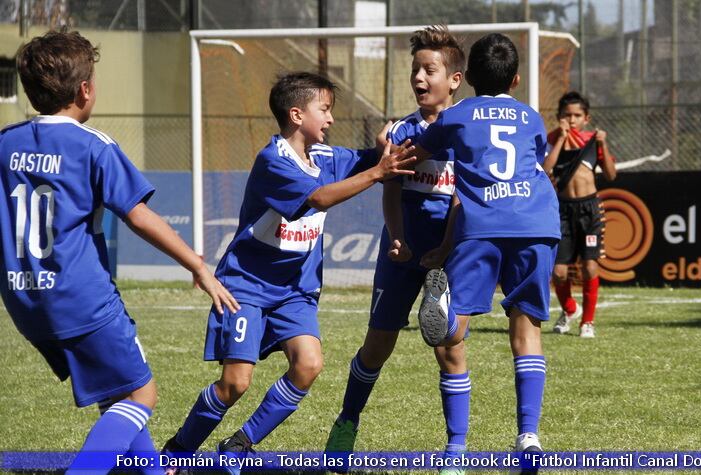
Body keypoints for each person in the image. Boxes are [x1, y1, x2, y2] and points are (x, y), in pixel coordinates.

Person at [0, 30, 238, 474]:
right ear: (85, 90)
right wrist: (199, 266)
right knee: (141, 395)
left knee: (117, 393)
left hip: (25, 299)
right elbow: (139, 216)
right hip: (81, 297)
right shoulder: (94, 146)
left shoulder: (5, 143)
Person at [160, 71, 413, 475]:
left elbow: (373, 157)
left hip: (295, 291)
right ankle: (176, 453)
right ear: (297, 114)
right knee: (235, 383)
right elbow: (317, 198)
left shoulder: (327, 157)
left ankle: (239, 446)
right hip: (246, 288)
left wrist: (393, 143)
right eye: (324, 110)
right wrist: (377, 173)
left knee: (309, 364)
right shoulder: (273, 161)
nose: (330, 119)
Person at [398, 33, 561, 471]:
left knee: (453, 335)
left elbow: (414, 153)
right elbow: (537, 162)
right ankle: (528, 437)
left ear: (465, 77)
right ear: (517, 79)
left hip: (483, 225)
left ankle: (456, 449)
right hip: (535, 223)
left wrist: (387, 147)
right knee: (526, 329)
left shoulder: (457, 116)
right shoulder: (531, 118)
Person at [324, 26, 469, 474]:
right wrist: (399, 237)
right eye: (415, 70)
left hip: (448, 252)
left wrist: (446, 246)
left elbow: (463, 196)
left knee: (450, 347)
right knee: (377, 345)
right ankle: (346, 423)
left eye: (430, 70)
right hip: (401, 250)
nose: (420, 78)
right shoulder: (402, 130)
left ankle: (455, 453)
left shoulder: (467, 129)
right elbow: (389, 187)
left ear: (455, 80)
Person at [542, 92, 617, 338]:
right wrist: (562, 139)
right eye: (567, 115)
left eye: (577, 116)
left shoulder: (592, 141)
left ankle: (588, 322)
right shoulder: (553, 139)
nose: (572, 120)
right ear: (559, 117)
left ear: (586, 118)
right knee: (559, 271)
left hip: (589, 210)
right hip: (562, 210)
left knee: (590, 267)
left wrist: (603, 143)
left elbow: (610, 175)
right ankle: (570, 309)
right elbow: (546, 169)